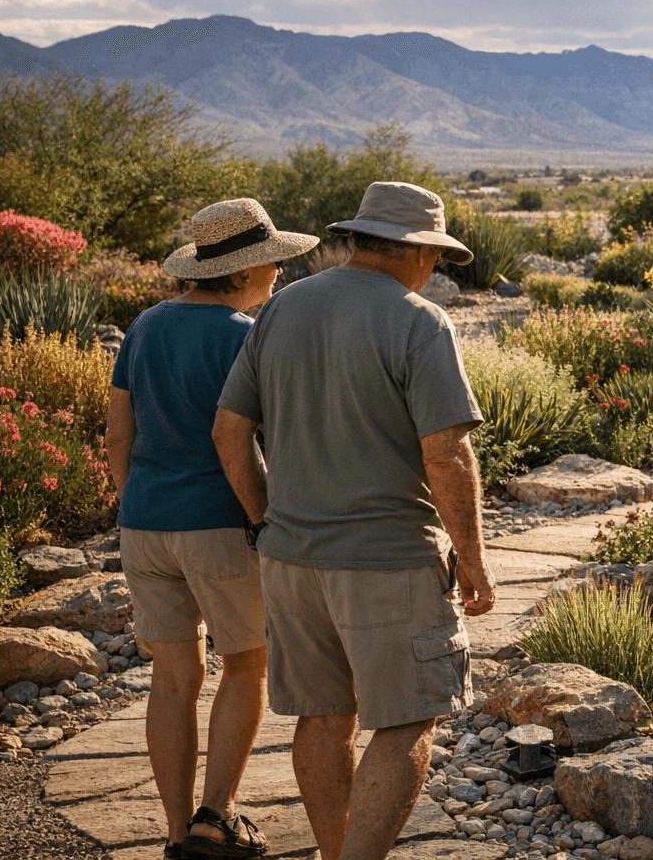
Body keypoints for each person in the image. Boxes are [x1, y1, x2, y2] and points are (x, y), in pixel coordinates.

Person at [212, 182, 496, 860]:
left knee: (322, 717)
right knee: (405, 722)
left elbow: (229, 432)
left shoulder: (281, 309)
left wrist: (266, 521)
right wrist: (476, 562)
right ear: (419, 252)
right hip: (388, 560)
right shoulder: (419, 320)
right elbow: (448, 454)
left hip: (292, 557)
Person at [105, 198, 318, 860]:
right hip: (220, 524)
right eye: (273, 264)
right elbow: (246, 443)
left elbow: (118, 433)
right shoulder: (242, 336)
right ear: (246, 272)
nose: (279, 275)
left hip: (144, 522)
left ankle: (174, 833)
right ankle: (214, 819)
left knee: (171, 679)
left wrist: (133, 502)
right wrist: (262, 519)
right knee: (246, 667)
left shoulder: (143, 326)